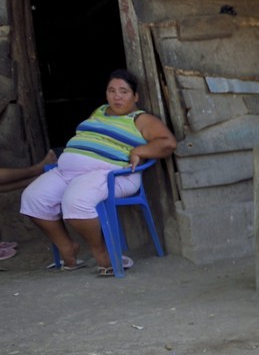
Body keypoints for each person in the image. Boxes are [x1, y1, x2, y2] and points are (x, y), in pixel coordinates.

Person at [20, 70, 176, 275]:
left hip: (110, 175)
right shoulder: (100, 111)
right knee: (33, 198)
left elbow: (168, 143)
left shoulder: (141, 119)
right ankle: (67, 247)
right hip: (67, 172)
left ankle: (103, 253)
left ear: (135, 96)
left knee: (75, 202)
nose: (116, 96)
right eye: (112, 91)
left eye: (123, 91)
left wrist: (139, 150)